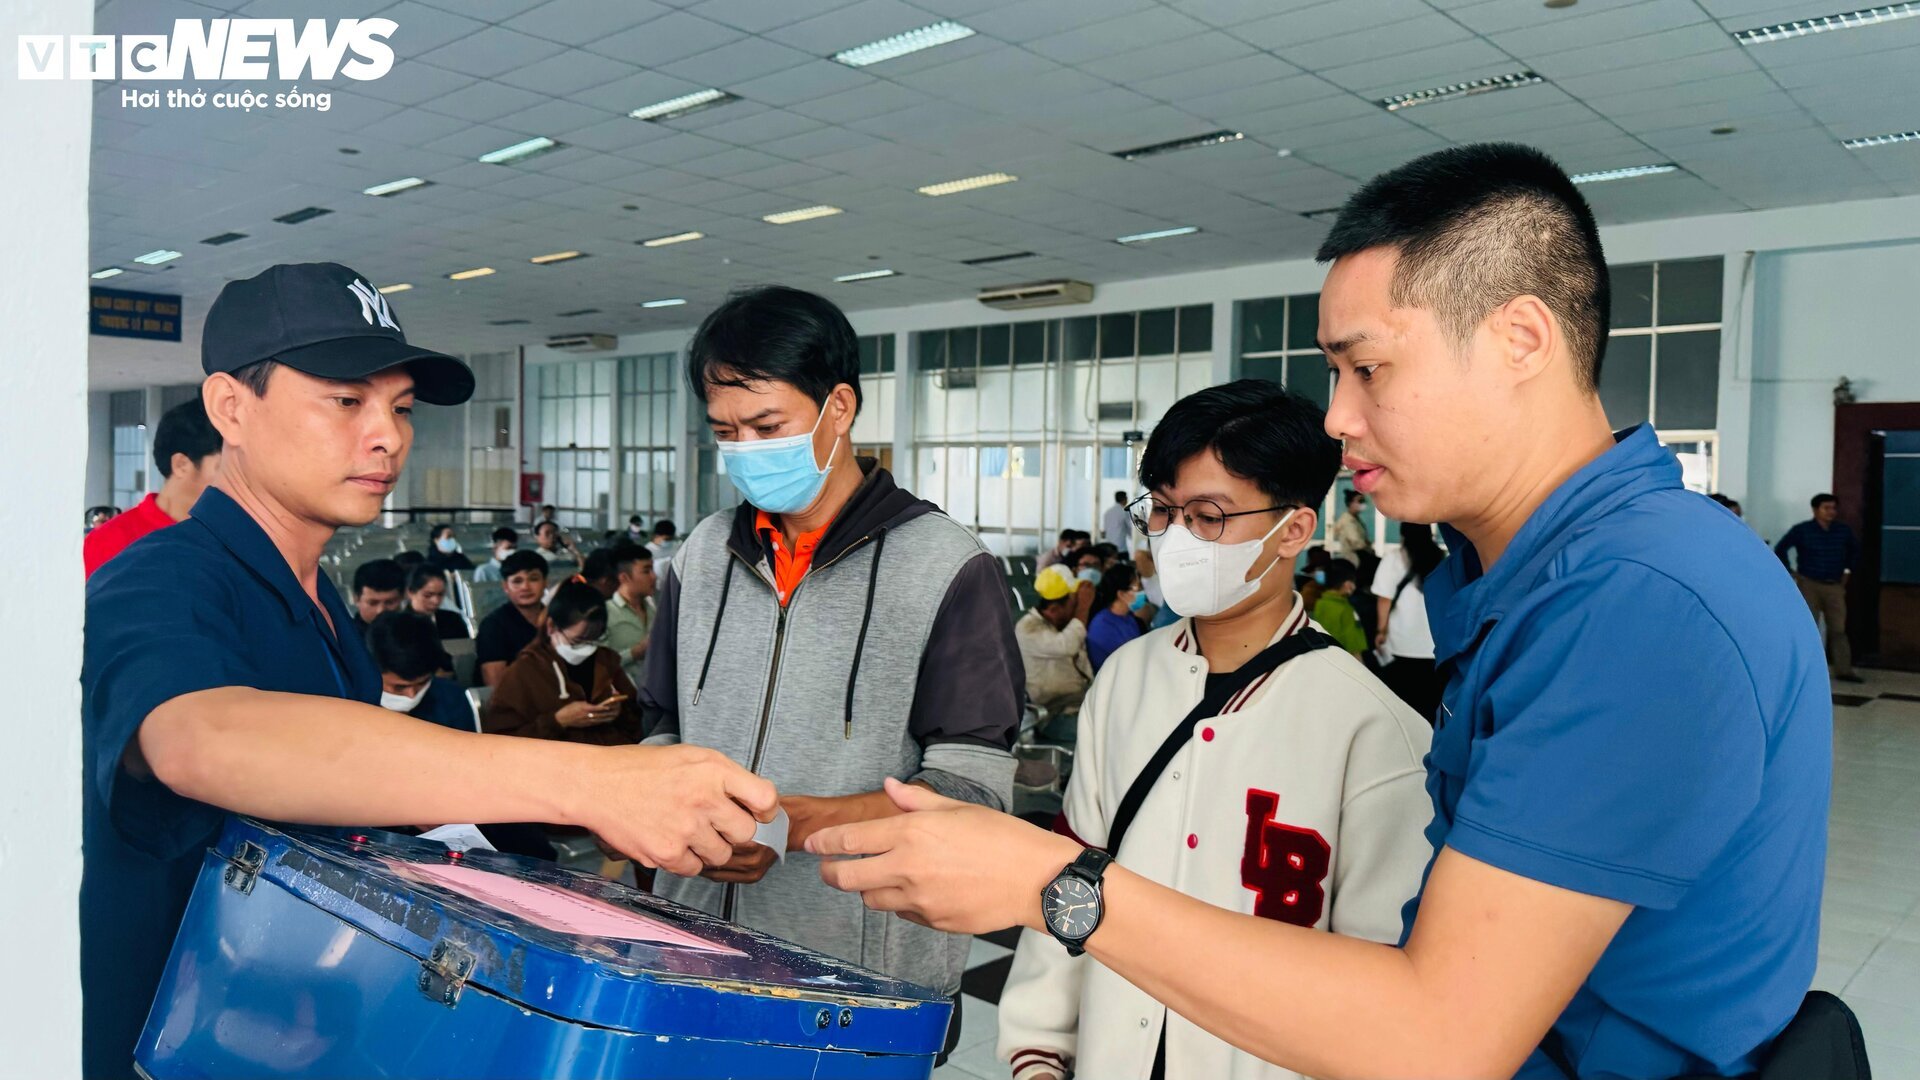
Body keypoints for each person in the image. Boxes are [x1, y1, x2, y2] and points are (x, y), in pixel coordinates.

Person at [810, 144, 1833, 1080]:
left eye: (1368, 366)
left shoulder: (1638, 604)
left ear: (1521, 337)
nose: (1339, 417)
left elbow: (1441, 1036)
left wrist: (1056, 884)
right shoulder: (1546, 585)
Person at [80, 261, 777, 1080]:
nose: (388, 436)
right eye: (346, 402)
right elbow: (201, 738)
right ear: (231, 407)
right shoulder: (162, 576)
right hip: (171, 1045)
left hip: (285, 1028)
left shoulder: (317, 599)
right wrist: (589, 781)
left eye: (400, 408)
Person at [999, 380, 1433, 1080]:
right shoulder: (1126, 681)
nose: (1177, 539)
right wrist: (1037, 1053)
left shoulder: (1374, 731)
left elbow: (1378, 985)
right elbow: (1072, 880)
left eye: (1208, 515)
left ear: (1294, 528)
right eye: (1164, 512)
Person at [641, 284, 1020, 1060]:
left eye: (767, 425)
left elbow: (972, 793)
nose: (745, 448)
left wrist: (788, 826)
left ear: (838, 407)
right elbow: (661, 727)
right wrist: (670, 807)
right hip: (694, 956)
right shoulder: (700, 559)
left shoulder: (947, 567)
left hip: (857, 981)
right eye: (725, 430)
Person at [484, 581, 644, 747]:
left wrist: (619, 713)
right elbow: (502, 740)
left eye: (594, 640)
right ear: (551, 626)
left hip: (610, 754)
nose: (587, 648)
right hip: (557, 761)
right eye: (578, 641)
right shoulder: (525, 672)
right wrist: (557, 721)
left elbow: (637, 718)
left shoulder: (606, 661)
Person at [84, 398, 224, 578]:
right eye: (223, 468)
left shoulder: (235, 538)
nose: (237, 480)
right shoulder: (109, 543)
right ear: (181, 465)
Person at [1776, 493, 1862, 683]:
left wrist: (1847, 571)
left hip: (1834, 585)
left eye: (1833, 508)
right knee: (1808, 628)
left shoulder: (1842, 530)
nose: (1831, 512)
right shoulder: (1802, 530)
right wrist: (1792, 572)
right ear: (1815, 510)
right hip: (1809, 584)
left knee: (1838, 629)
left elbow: (1855, 551)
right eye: (1826, 508)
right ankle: (1805, 671)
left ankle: (1843, 670)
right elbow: (1780, 548)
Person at [1370, 524, 1445, 722]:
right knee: (1430, 707)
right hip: (1434, 645)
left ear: (1403, 534)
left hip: (1401, 645)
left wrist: (1381, 630)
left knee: (1403, 705)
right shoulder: (1441, 558)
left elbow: (1384, 599)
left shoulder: (1394, 558)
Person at [366, 610, 470, 732]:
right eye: (399, 688)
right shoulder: (349, 706)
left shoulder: (451, 699)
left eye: (422, 684)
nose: (412, 695)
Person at [1015, 565, 1094, 717]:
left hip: (1082, 704)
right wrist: (1083, 608)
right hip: (1057, 713)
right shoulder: (1027, 628)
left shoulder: (1064, 625)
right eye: (1074, 602)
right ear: (1055, 609)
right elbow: (1067, 646)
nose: (1077, 605)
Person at [475, 549, 548, 687]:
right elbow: (496, 684)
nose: (525, 587)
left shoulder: (558, 619)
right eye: (517, 581)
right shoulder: (493, 626)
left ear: (545, 583)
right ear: (506, 587)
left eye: (533, 579)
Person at [601, 541, 656, 684]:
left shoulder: (654, 611)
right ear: (624, 578)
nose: (654, 577)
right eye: (646, 571)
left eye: (653, 570)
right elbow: (599, 666)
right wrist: (635, 653)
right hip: (624, 698)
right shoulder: (605, 614)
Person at [1084, 563, 1145, 672]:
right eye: (1138, 587)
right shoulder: (1103, 627)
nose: (1142, 591)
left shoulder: (1128, 618)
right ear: (1121, 594)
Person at [1310, 561, 1366, 656]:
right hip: (1345, 660)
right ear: (1347, 584)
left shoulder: (1319, 604)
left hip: (1325, 657)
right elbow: (1354, 647)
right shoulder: (1346, 609)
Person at [405, 563, 470, 641]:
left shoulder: (452, 620)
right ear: (410, 592)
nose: (436, 601)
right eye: (428, 595)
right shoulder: (398, 625)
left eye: (440, 594)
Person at [349, 558, 406, 634]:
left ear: (402, 598)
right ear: (356, 599)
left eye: (390, 602)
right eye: (372, 603)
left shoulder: (418, 635)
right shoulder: (342, 639)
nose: (381, 611)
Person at [1329, 489, 1373, 569]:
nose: (1363, 503)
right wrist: (1368, 547)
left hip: (1360, 558)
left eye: (1363, 501)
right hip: (1353, 560)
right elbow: (1356, 542)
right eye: (1360, 501)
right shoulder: (1347, 520)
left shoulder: (1356, 519)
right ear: (1350, 503)